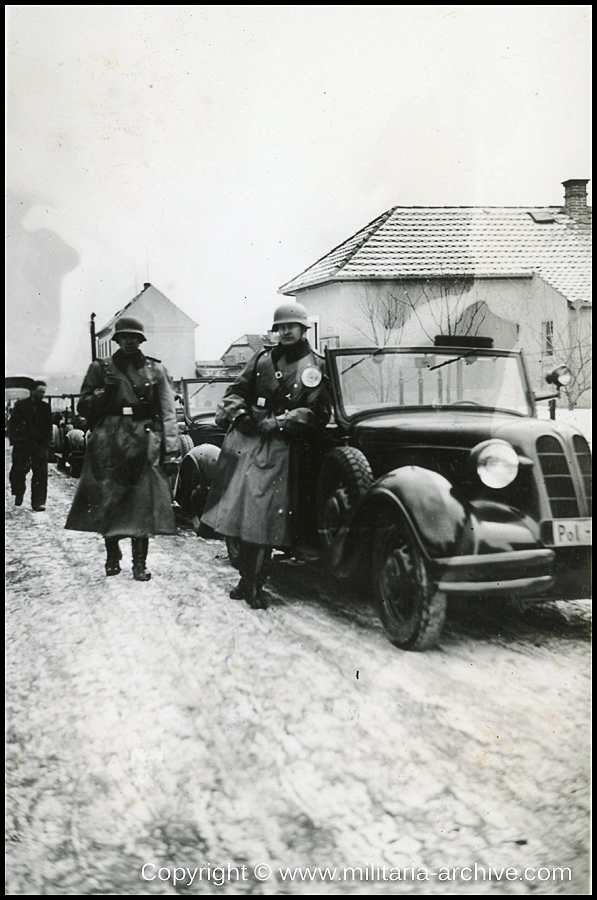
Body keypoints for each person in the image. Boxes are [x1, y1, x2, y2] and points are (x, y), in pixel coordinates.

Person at [200, 302, 332, 609]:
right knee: (235, 514)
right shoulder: (261, 360)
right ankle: (246, 579)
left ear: (303, 329)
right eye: (280, 327)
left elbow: (316, 411)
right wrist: (240, 412)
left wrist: (280, 422)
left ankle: (255, 582)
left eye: (291, 327)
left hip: (279, 448)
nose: (285, 332)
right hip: (245, 442)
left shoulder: (315, 366)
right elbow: (234, 392)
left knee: (260, 517)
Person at [65, 316, 179, 580]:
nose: (129, 341)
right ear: (116, 340)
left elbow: (168, 412)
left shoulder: (155, 369)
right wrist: (104, 393)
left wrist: (170, 451)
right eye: (124, 337)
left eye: (134, 337)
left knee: (142, 503)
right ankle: (112, 554)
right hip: (109, 441)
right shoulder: (100, 368)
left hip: (144, 440)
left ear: (141, 340)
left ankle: (140, 563)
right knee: (111, 500)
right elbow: (83, 407)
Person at [8, 380, 53, 511]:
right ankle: (19, 492)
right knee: (17, 471)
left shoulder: (46, 408)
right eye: (40, 392)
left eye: (44, 392)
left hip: (39, 445)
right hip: (22, 444)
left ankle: (38, 502)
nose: (42, 395)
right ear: (32, 391)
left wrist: (46, 445)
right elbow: (13, 424)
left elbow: (48, 427)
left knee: (40, 474)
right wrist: (15, 440)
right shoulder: (21, 405)